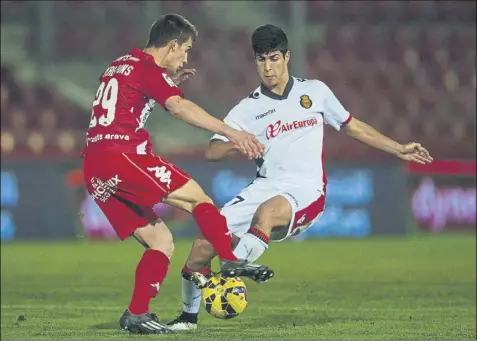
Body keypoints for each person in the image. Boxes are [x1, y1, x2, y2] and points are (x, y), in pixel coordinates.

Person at [167, 24, 434, 331]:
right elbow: (213, 152)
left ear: (287, 56)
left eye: (274, 58)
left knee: (266, 213)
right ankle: (188, 320)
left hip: (306, 192)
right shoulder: (248, 108)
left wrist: (398, 148)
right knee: (203, 243)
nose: (268, 67)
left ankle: (231, 270)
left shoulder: (315, 92)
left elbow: (353, 126)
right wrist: (238, 142)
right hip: (264, 186)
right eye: (261, 60)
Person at [81, 14, 274, 335]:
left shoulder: (119, 64)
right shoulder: (148, 68)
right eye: (185, 49)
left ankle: (137, 314)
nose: (185, 57)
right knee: (199, 198)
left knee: (161, 242)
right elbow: (179, 108)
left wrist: (166, 83)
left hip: (95, 166)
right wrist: (231, 132)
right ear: (172, 45)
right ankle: (228, 259)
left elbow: (127, 99)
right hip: (123, 155)